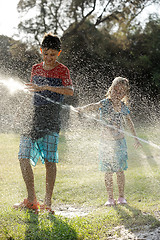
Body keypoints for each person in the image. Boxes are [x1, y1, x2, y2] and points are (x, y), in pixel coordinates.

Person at [13, 33, 74, 213]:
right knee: (23, 155)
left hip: (51, 118)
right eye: (46, 54)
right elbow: (32, 91)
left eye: (53, 55)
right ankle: (32, 199)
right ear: (41, 51)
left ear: (58, 54)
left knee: (49, 161)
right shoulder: (35, 68)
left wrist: (46, 87)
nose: (49, 58)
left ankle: (47, 202)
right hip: (34, 117)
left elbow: (70, 91)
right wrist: (20, 109)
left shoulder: (63, 70)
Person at [77, 77, 141, 206]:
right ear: (110, 90)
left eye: (121, 92)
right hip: (106, 143)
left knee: (120, 170)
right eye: (115, 90)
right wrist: (81, 109)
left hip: (119, 143)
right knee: (108, 171)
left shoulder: (123, 107)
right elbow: (93, 106)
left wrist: (135, 138)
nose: (117, 94)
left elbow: (129, 122)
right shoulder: (105, 103)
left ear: (124, 95)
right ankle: (110, 198)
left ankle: (121, 197)